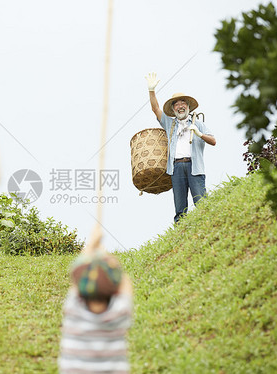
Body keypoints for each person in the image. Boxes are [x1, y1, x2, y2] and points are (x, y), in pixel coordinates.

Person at [58, 226, 133, 374]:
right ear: (115, 289)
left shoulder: (73, 311)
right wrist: (107, 259)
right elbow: (125, 283)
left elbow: (76, 274)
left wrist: (91, 245)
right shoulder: (119, 314)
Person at [145, 72, 216, 223]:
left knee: (202, 203)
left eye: (183, 103)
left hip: (194, 167)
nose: (180, 106)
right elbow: (155, 109)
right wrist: (151, 90)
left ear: (188, 106)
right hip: (176, 168)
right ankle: (181, 237)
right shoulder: (170, 124)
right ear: (173, 109)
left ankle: (208, 227)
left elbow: (213, 141)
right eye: (176, 104)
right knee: (180, 209)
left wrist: (199, 134)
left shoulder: (197, 122)